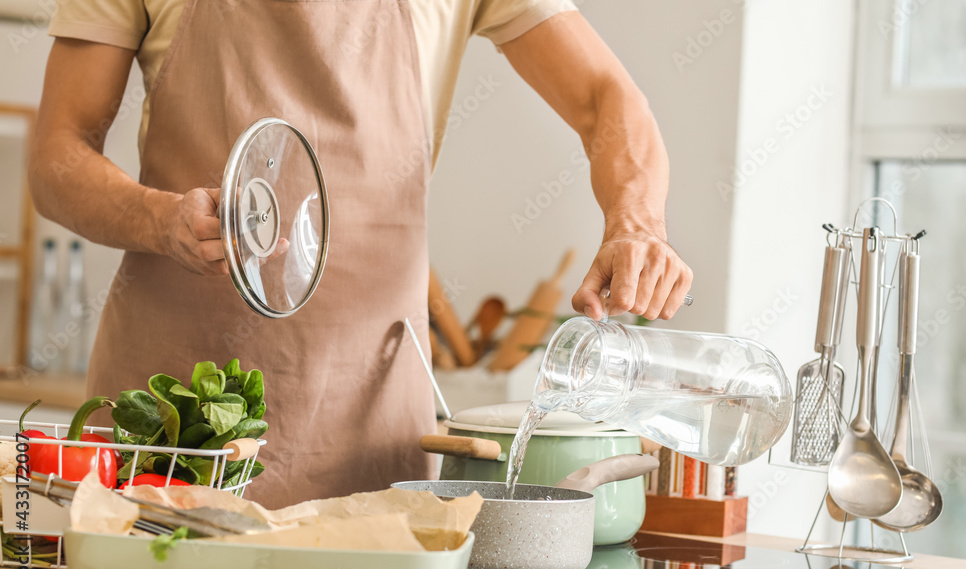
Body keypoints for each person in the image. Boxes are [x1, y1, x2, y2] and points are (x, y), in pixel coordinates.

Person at [29, 0, 693, 507]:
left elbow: (605, 97)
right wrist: (161, 219)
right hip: (171, 420)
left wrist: (636, 222)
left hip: (371, 416)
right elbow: (57, 155)